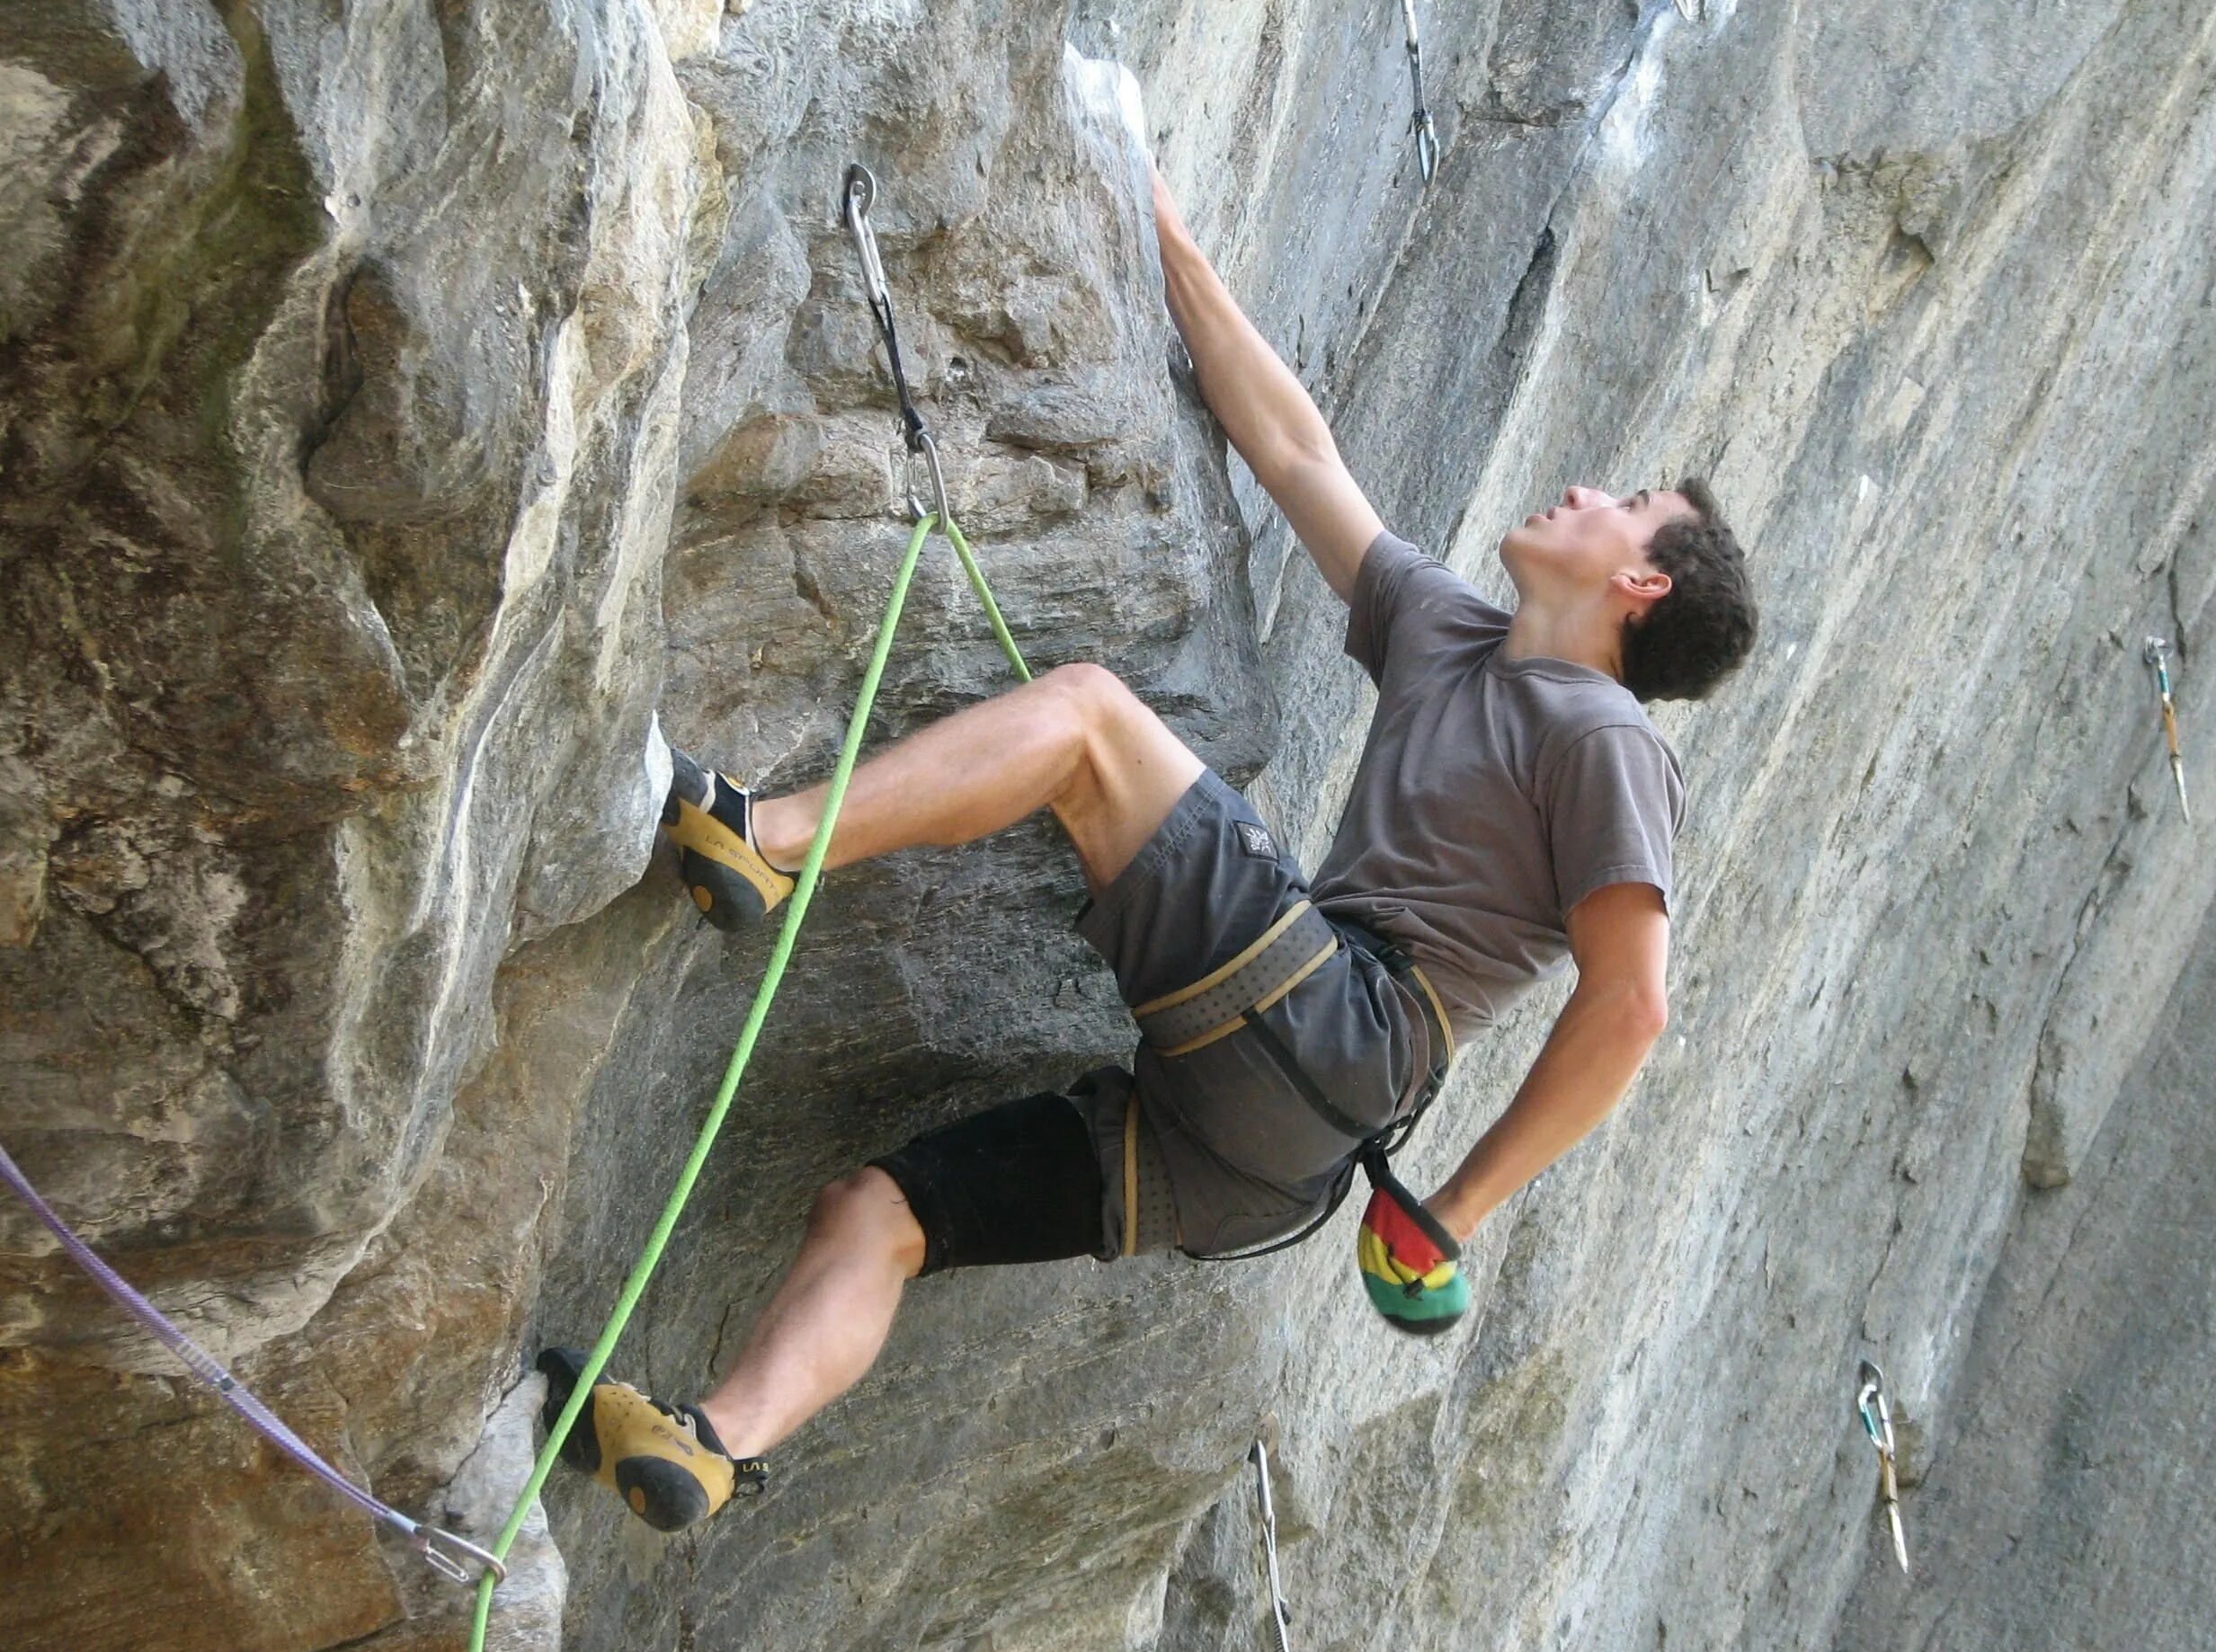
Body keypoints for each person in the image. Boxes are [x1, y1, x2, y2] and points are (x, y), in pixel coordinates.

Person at [538, 170, 1755, 1532]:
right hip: (1254, 1148)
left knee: (1089, 722)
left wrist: (1455, 1206)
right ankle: (714, 1440)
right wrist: (1156, 225)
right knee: (879, 1209)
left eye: (1627, 501)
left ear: (1640, 582)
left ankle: (765, 842)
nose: (1588, 486)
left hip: (1345, 1026)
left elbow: (1632, 1003)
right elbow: (1297, 455)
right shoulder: (1453, 634)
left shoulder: (1605, 738)